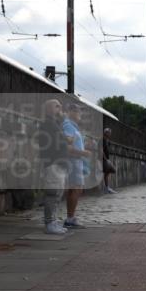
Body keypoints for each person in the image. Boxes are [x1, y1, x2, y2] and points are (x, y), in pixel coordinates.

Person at [40, 99, 74, 235]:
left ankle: (53, 221)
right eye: (56, 106)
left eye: (60, 105)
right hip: (53, 163)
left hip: (59, 164)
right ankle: (49, 223)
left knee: (57, 194)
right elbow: (56, 143)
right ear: (48, 109)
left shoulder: (55, 124)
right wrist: (67, 143)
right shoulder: (47, 124)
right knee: (52, 194)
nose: (60, 108)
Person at [61, 103, 93, 229]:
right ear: (71, 112)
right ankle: (70, 219)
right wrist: (83, 153)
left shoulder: (72, 126)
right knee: (76, 189)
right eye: (79, 112)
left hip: (76, 161)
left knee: (75, 189)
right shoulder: (69, 126)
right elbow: (68, 147)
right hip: (74, 161)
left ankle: (70, 217)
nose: (80, 115)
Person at [101, 127, 116, 193]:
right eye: (109, 133)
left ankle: (106, 187)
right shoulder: (103, 139)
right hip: (103, 159)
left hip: (105, 159)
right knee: (107, 172)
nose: (110, 134)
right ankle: (106, 188)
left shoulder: (106, 140)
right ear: (106, 133)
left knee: (108, 172)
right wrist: (105, 159)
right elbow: (101, 149)